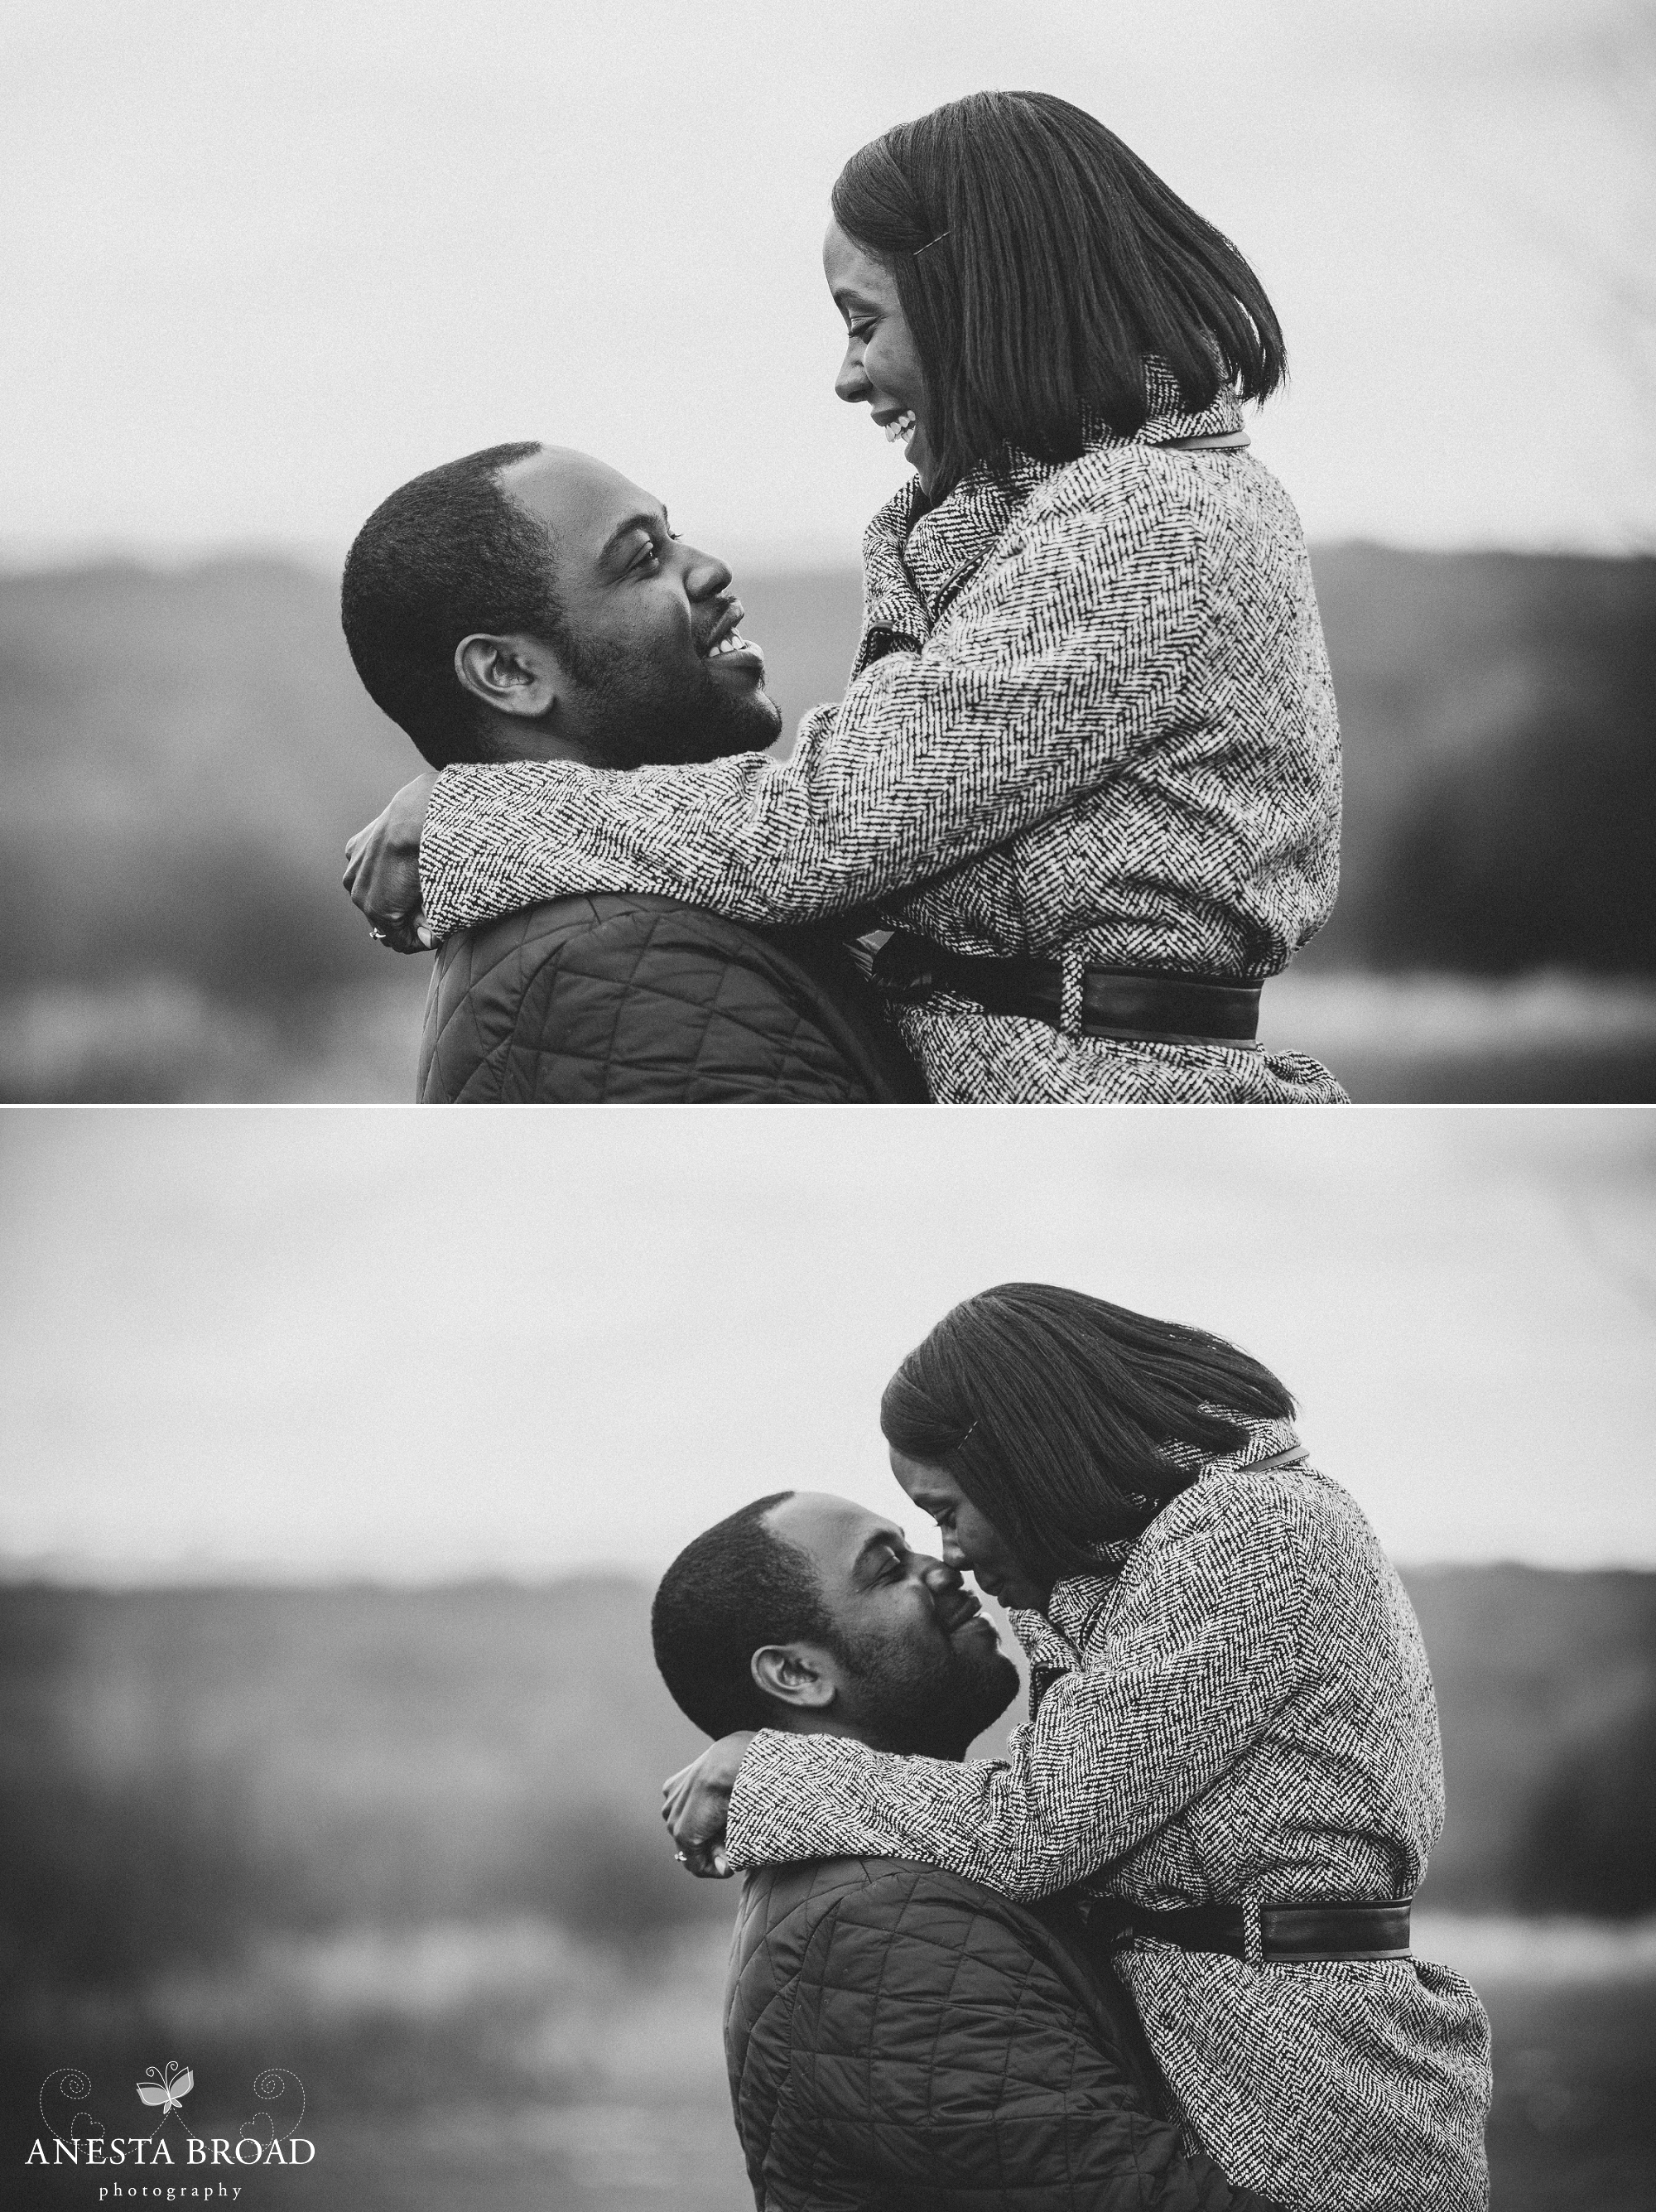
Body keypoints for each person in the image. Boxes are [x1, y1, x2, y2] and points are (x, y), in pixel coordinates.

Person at [344, 90, 1346, 1105]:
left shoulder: (1147, 516)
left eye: (864, 323)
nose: (848, 374)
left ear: (977, 301)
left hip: (1086, 1087)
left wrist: (479, 817)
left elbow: (820, 831)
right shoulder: (1064, 508)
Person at [662, 1287, 1493, 2211]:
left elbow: (1035, 1825)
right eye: (902, 1552)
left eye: (945, 1511)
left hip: (1310, 2086)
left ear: (1022, 1464)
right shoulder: (1164, 1557)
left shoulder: (1247, 1534)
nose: (951, 1556)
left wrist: (774, 1768)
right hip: (1262, 2069)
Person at [651, 1490, 1286, 2212]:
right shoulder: (879, 1929)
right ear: (797, 1674)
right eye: (888, 1568)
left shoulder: (915, 1875)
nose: (946, 1566)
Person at [340, 444, 923, 1101]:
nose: (709, 567)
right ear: (510, 673)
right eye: (644, 558)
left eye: (673, 536)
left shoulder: (664, 904)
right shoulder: (613, 964)